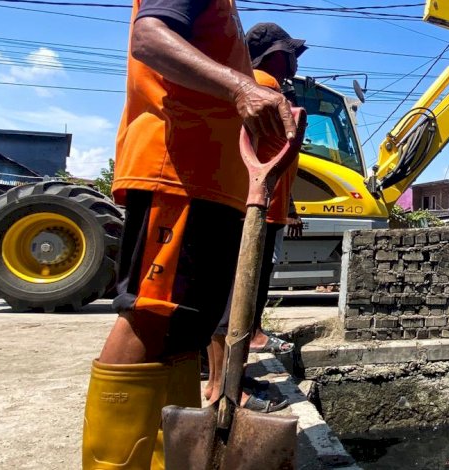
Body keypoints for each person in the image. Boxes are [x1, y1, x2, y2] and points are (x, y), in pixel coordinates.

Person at [81, 1, 299, 469]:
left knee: (185, 328)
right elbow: (149, 38)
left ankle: (166, 459)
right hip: (179, 170)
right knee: (151, 315)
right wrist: (241, 86)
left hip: (213, 184)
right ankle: (114, 463)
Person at [203, 22, 308, 412]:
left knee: (242, 301)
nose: (296, 61)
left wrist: (289, 206)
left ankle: (232, 379)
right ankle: (222, 388)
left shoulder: (269, 86)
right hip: (254, 209)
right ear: (277, 54)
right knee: (235, 301)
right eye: (292, 53)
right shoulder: (263, 83)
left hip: (266, 207)